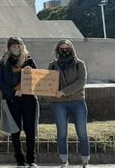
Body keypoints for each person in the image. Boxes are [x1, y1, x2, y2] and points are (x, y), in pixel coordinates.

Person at [0, 37, 39, 168]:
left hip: (28, 99)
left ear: (22, 46)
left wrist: (29, 75)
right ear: (9, 48)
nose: (15, 48)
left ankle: (31, 159)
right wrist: (12, 92)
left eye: (17, 45)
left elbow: (36, 78)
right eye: (13, 46)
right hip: (12, 99)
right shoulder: (3, 62)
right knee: (15, 129)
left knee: (30, 129)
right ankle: (19, 159)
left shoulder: (29, 60)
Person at [48, 39, 89, 168]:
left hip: (78, 102)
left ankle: (85, 161)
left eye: (67, 47)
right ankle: (64, 161)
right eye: (62, 47)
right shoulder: (52, 65)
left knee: (82, 132)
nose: (64, 50)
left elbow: (81, 82)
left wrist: (64, 91)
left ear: (71, 49)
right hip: (58, 103)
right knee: (62, 132)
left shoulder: (79, 64)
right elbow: (49, 82)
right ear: (58, 49)